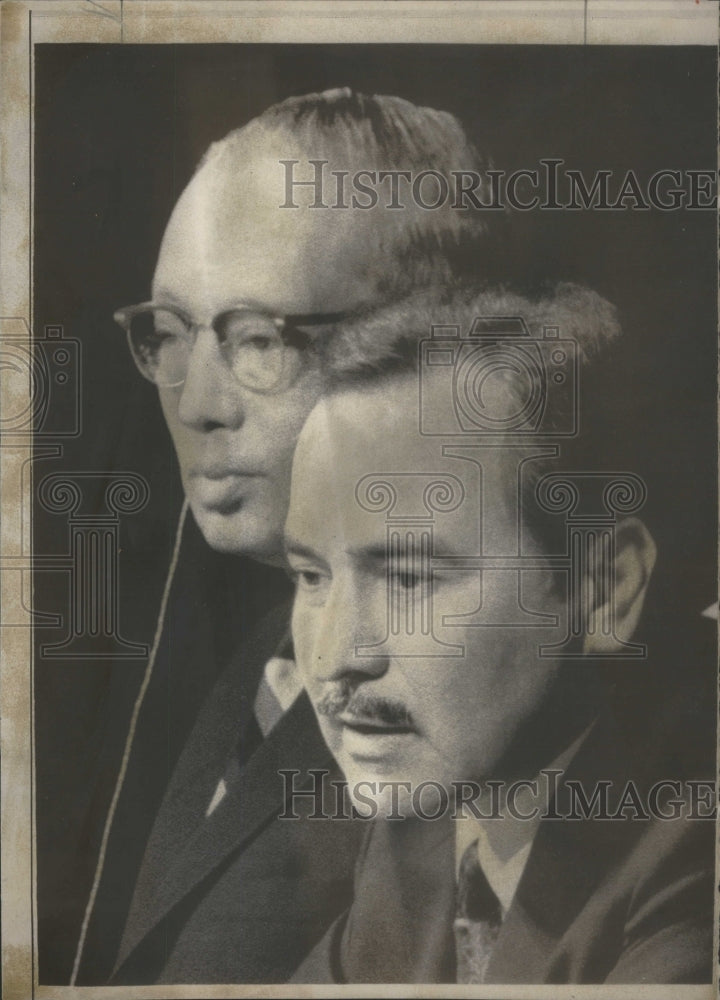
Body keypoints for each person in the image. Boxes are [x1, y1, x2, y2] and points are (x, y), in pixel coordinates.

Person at [70, 88, 501, 985]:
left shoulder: (483, 701)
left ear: (427, 339)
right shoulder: (263, 665)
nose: (195, 404)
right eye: (170, 333)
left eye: (260, 339)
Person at [285, 285, 715, 984]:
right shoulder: (427, 807)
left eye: (410, 579)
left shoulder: (693, 848)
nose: (336, 657)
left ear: (605, 589)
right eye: (309, 576)